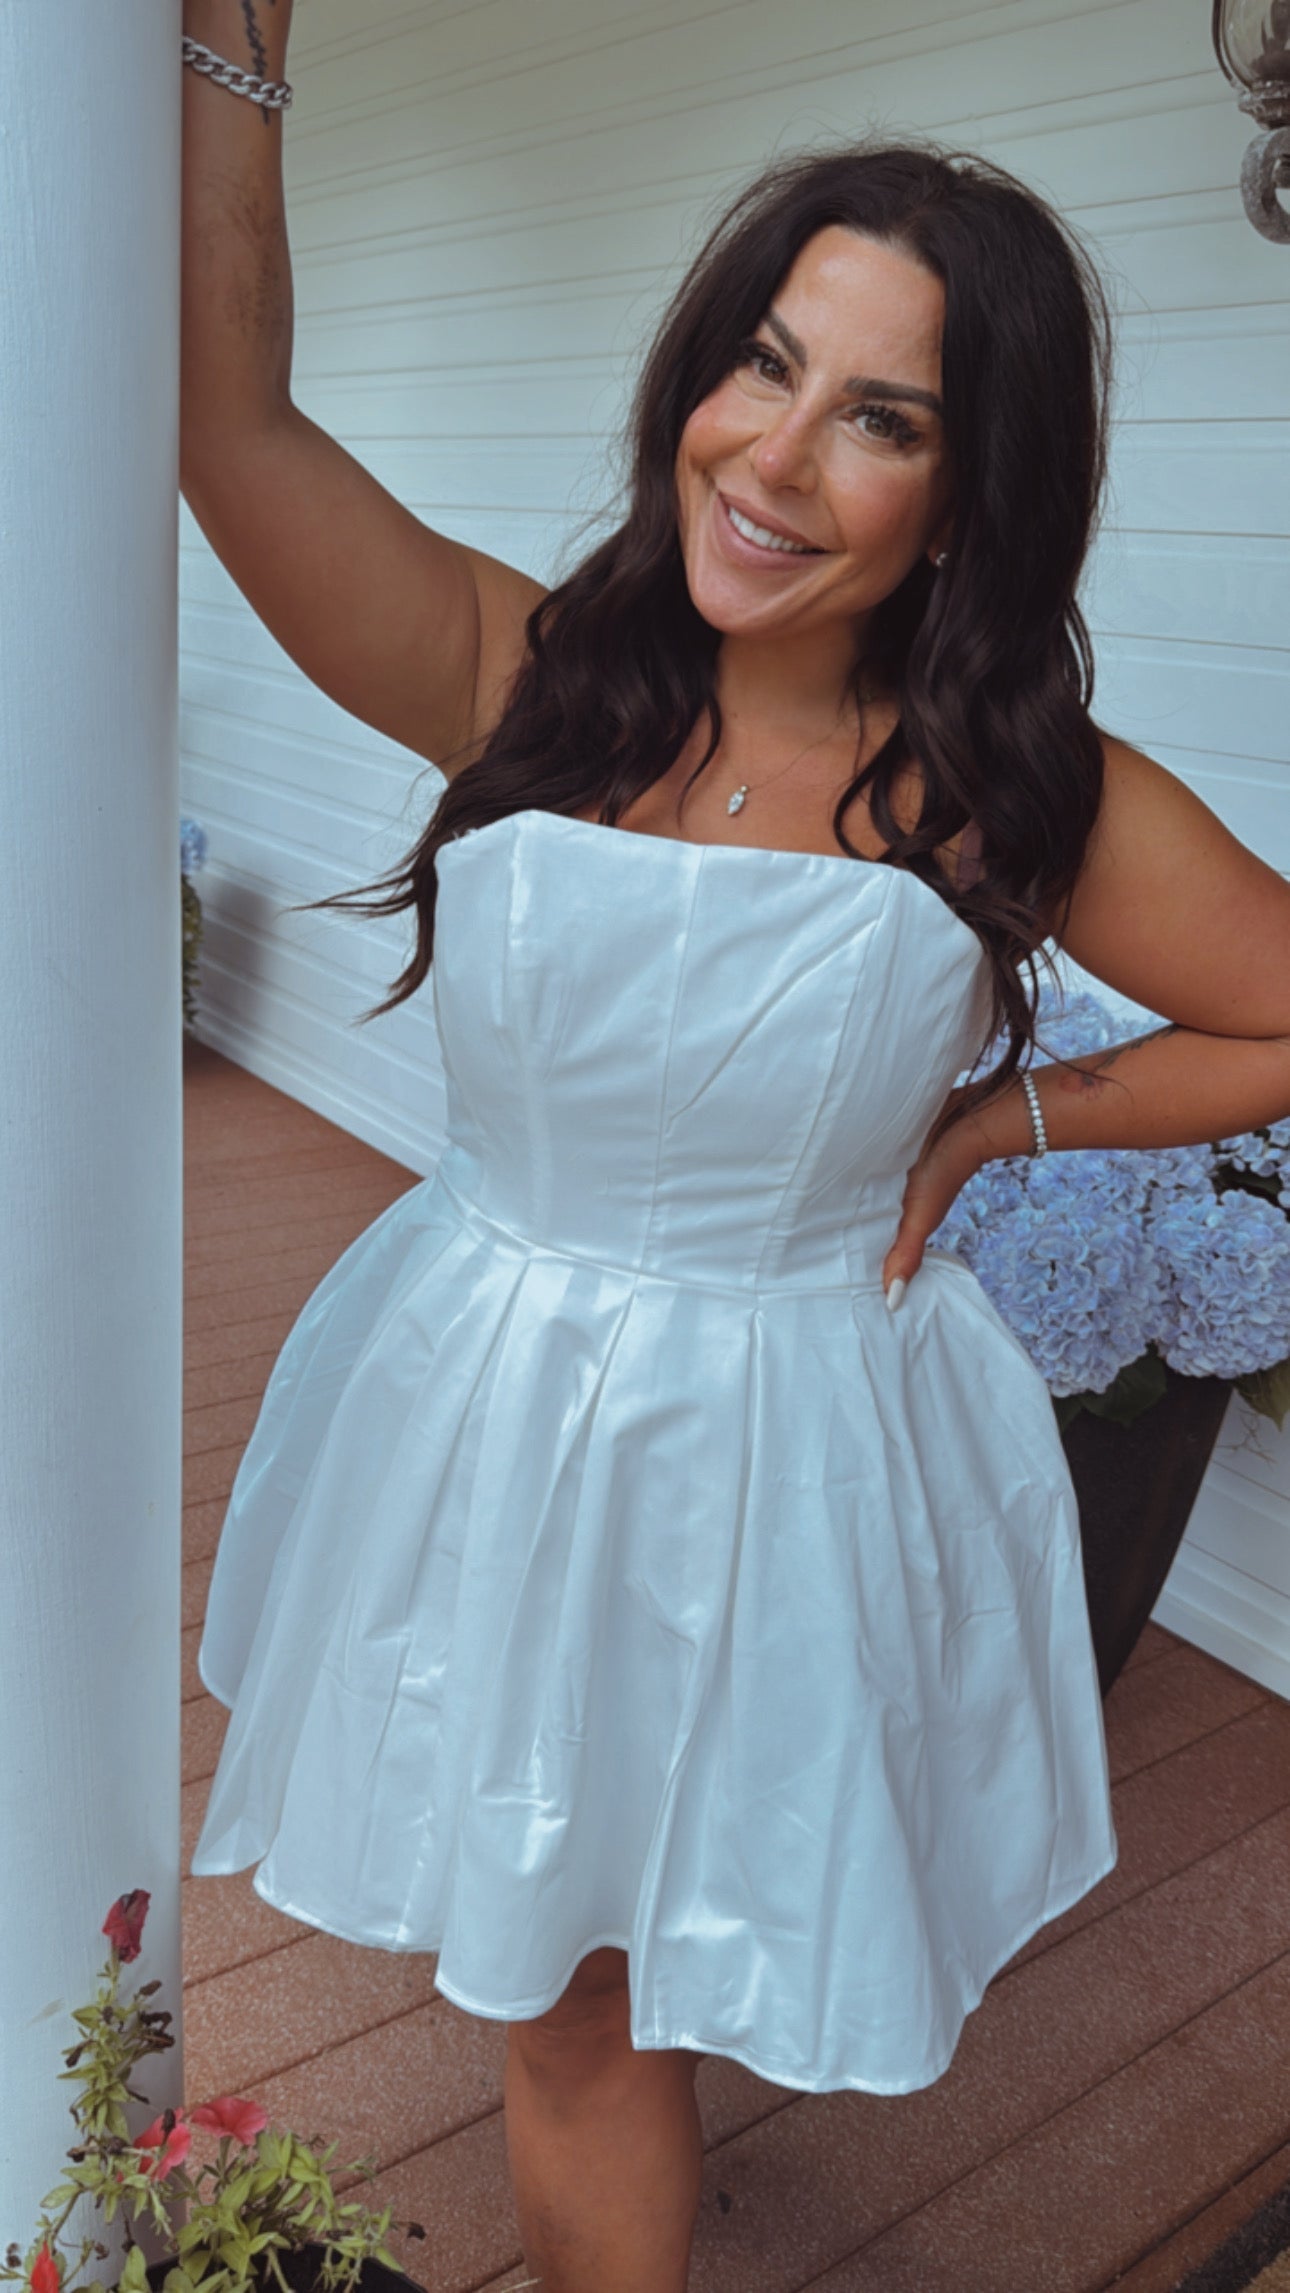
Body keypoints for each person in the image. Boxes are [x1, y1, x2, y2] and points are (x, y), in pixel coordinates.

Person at [180, 9, 1290, 2290]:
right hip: (492, 1402)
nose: (771, 455)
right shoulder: (523, 674)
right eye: (762, 363)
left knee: (653, 1956)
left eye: (880, 416)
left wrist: (1010, 1117)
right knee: (570, 1985)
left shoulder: (1004, 791)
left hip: (787, 1452)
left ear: (966, 496)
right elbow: (228, 423)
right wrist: (230, 60)